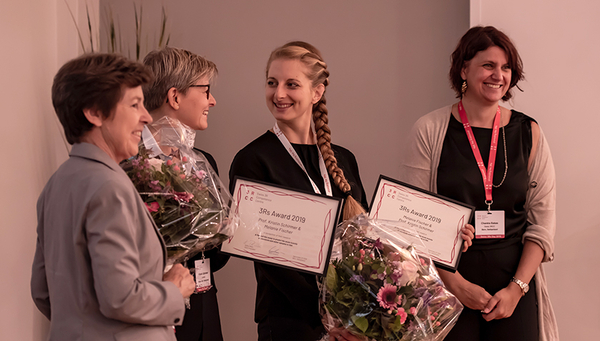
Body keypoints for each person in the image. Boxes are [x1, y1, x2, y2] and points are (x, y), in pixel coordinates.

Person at [399, 26, 558, 340]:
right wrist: (457, 285)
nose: (498, 75)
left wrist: (516, 289)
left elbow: (543, 223)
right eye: (488, 65)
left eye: (506, 67)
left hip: (515, 290)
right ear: (463, 69)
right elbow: (410, 222)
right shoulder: (429, 130)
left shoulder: (530, 132)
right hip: (446, 290)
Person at [31, 53, 195, 341]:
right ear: (94, 113)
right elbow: (120, 298)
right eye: (134, 105)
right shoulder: (109, 187)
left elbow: (44, 292)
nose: (146, 116)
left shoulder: (57, 183)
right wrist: (173, 289)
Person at [228, 41, 369, 341]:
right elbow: (267, 257)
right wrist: (324, 316)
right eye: (271, 83)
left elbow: (367, 240)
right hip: (289, 321)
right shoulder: (253, 160)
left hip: (352, 321)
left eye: (291, 84)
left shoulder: (343, 159)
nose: (279, 94)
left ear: (316, 92)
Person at [142, 46, 228, 341]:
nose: (212, 101)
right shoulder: (130, 165)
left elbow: (215, 259)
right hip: (152, 316)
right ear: (175, 96)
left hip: (204, 311)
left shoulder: (204, 163)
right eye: (205, 91)